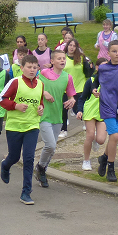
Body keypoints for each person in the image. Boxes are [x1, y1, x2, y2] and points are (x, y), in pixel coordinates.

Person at [0, 54, 44, 205]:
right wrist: (15, 106)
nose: (32, 70)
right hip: (15, 126)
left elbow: (40, 102)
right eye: (29, 67)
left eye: (34, 67)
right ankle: (5, 165)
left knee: (29, 158)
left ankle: (26, 192)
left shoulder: (40, 84)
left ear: (38, 68)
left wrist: (41, 108)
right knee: (14, 157)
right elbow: (1, 99)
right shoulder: (15, 82)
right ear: (22, 68)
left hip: (32, 126)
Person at [34, 49, 76, 188]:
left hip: (58, 116)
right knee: (50, 145)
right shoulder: (43, 74)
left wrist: (72, 101)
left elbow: (71, 95)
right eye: (59, 58)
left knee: (52, 148)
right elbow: (33, 86)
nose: (62, 60)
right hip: (44, 115)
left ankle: (41, 169)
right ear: (52, 61)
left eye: (63, 58)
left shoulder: (67, 77)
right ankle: (40, 168)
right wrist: (44, 92)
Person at [92, 40, 118, 182]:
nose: (117, 54)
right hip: (106, 106)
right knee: (114, 137)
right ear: (108, 53)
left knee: (115, 137)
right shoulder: (103, 68)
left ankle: (104, 157)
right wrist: (94, 89)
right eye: (114, 51)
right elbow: (96, 81)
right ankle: (111, 168)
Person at [76, 58, 107, 170]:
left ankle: (95, 140)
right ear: (97, 68)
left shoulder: (110, 80)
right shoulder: (91, 80)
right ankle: (86, 161)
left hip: (103, 112)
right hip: (90, 110)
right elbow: (82, 98)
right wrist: (80, 110)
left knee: (101, 140)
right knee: (89, 135)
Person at [60, 38, 94, 139]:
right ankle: (64, 129)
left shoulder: (82, 58)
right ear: (67, 46)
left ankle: (87, 123)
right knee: (63, 109)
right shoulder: (63, 57)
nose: (72, 47)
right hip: (66, 88)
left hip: (79, 87)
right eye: (70, 45)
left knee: (78, 109)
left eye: (74, 46)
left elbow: (88, 73)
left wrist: (91, 68)